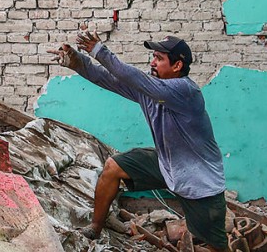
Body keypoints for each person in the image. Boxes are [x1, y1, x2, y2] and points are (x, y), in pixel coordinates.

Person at [53, 33, 228, 251]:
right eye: (153, 57)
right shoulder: (151, 91)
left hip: (200, 183)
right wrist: (78, 62)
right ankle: (95, 227)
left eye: (159, 58)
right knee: (112, 167)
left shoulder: (186, 91)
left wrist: (99, 50)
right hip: (169, 163)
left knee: (212, 247)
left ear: (177, 65)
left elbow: (133, 76)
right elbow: (108, 79)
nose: (152, 63)